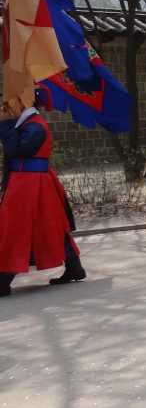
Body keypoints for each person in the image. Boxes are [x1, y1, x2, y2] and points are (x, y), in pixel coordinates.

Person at [0, 87, 86, 296]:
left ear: (25, 102)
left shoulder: (36, 126)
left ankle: (3, 279)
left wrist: (4, 124)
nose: (7, 107)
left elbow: (17, 149)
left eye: (12, 102)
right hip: (25, 183)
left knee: (16, 229)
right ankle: (74, 267)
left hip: (32, 184)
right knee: (48, 227)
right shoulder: (25, 125)